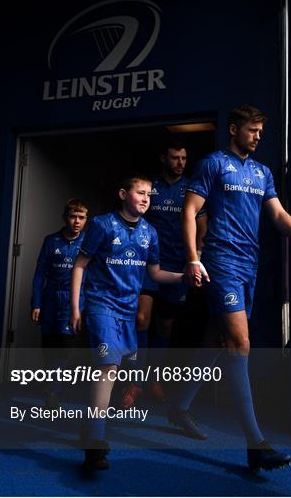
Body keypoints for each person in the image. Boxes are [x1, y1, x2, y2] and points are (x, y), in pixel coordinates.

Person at [167, 105, 291, 472]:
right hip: (221, 261)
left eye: (261, 132)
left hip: (249, 264)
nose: (257, 136)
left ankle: (178, 407)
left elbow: (276, 213)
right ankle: (255, 442)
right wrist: (192, 257)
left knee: (217, 341)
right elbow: (189, 212)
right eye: (252, 130)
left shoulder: (262, 172)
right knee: (239, 344)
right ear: (234, 129)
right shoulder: (213, 164)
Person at [70, 176, 192, 472]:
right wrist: (75, 308)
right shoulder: (101, 224)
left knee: (113, 368)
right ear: (123, 193)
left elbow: (155, 273)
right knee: (107, 366)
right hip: (101, 304)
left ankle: (90, 425)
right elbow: (80, 265)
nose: (146, 198)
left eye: (150, 194)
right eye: (141, 192)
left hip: (127, 310)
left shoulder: (150, 233)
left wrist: (183, 277)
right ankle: (96, 443)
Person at [121, 140, 192, 408]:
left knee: (165, 325)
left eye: (184, 158)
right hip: (147, 263)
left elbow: (202, 224)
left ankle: (153, 379)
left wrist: (195, 257)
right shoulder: (149, 187)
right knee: (141, 320)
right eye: (175, 157)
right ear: (164, 158)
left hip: (177, 265)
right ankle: (134, 382)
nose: (180, 163)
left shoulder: (190, 188)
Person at [31, 198, 88, 408]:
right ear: (65, 218)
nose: (76, 221)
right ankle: (51, 384)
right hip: (50, 299)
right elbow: (40, 274)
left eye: (81, 218)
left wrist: (85, 305)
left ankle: (53, 391)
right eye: (73, 217)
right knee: (49, 346)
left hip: (73, 300)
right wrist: (36, 303)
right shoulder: (51, 241)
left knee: (64, 345)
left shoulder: (89, 243)